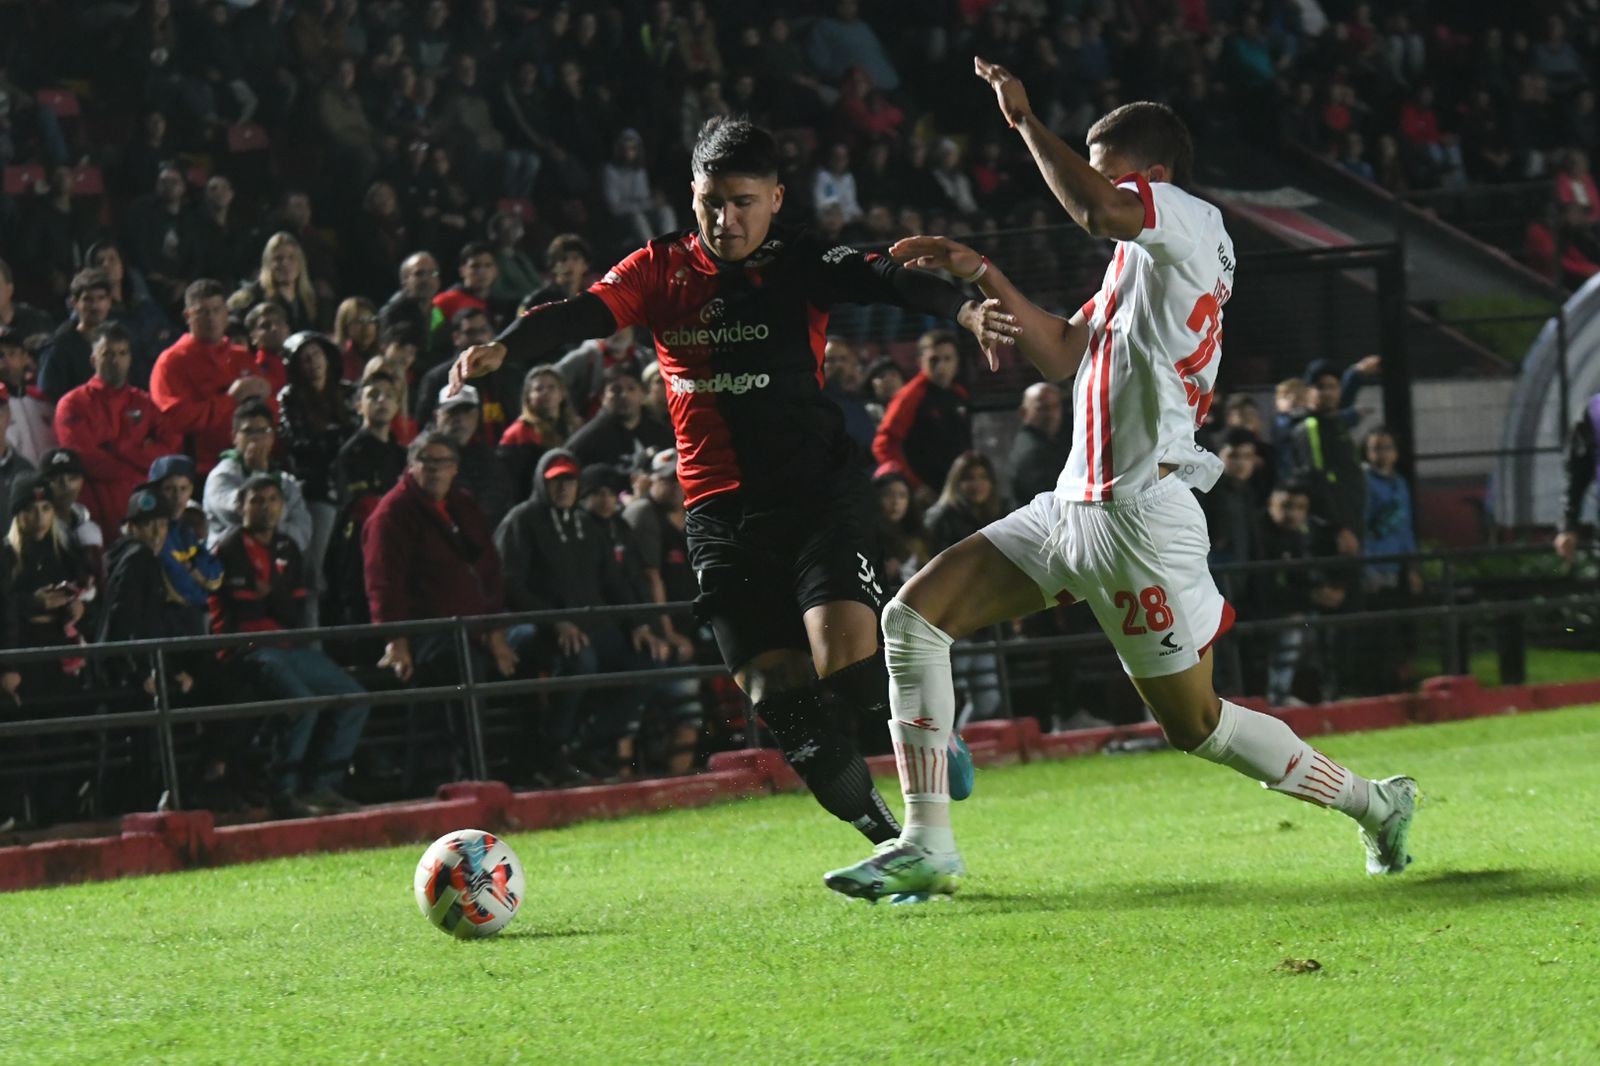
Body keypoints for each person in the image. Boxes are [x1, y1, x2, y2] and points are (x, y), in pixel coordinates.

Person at [825, 61, 1417, 903]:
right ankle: (926, 843)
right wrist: (980, 273)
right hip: (1073, 507)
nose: (1092, 191)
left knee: (1198, 726)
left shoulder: (1186, 216)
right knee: (914, 618)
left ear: (1154, 176)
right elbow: (1066, 351)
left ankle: (1374, 803)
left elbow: (1097, 205)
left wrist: (1026, 121)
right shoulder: (1138, 263)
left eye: (1106, 169)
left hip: (1142, 517)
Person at [453, 116, 993, 847]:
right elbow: (580, 314)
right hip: (720, 513)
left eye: (742, 201)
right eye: (711, 201)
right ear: (692, 196)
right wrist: (506, 347)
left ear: (774, 197)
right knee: (778, 693)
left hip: (817, 498)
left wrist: (962, 307)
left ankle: (935, 739)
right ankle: (889, 841)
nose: (725, 218)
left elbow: (886, 277)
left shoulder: (800, 257)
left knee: (847, 663)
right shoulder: (659, 268)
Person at [497, 449, 663, 783]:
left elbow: (612, 581)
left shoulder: (588, 524)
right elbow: (510, 585)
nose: (563, 488)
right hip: (534, 627)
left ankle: (586, 746)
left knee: (647, 661)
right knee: (580, 661)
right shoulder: (521, 521)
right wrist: (554, 621)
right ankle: (550, 752)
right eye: (555, 481)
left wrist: (639, 624)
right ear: (541, 483)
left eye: (569, 481)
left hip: (590, 625)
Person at [210, 475, 368, 818]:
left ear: (283, 506)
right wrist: (272, 600)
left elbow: (294, 611)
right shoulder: (228, 548)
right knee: (303, 704)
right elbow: (243, 608)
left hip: (287, 644)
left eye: (272, 500)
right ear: (241, 506)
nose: (265, 507)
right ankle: (283, 792)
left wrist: (270, 595)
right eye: (256, 500)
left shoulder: (288, 547)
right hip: (249, 646)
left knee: (354, 696)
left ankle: (324, 786)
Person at [363, 432, 519, 775]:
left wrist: (496, 632)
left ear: (455, 468)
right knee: (450, 682)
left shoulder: (463, 505)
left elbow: (488, 567)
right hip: (429, 631)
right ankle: (454, 775)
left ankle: (505, 768)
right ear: (411, 465)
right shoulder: (393, 513)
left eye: (444, 462)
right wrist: (396, 640)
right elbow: (384, 582)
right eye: (427, 462)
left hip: (474, 628)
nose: (435, 470)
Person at [53, 324, 177, 533]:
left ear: (130, 359)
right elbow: (85, 459)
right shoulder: (73, 404)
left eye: (122, 353)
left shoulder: (144, 403)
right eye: (107, 353)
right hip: (93, 509)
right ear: (93, 359)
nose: (115, 360)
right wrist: (139, 466)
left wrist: (122, 449)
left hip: (141, 508)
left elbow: (170, 448)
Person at [149, 279, 275, 474]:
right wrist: (229, 399)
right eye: (202, 312)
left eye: (217, 310)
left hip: (252, 464)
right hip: (199, 470)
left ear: (226, 313)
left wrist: (266, 397)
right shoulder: (171, 362)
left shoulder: (241, 356)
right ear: (187, 316)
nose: (211, 318)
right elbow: (174, 419)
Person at [327, 371, 406, 627]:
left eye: (389, 396)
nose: (382, 401)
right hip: (362, 543)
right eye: (373, 395)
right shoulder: (352, 452)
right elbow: (360, 504)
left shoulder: (402, 453)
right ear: (359, 405)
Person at [202, 399, 313, 551]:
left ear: (272, 437)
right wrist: (259, 473)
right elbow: (244, 516)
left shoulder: (286, 481)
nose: (256, 438)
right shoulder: (221, 476)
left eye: (263, 431)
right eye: (248, 431)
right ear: (234, 437)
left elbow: (303, 532)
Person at [498, 364, 582, 504]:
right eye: (538, 389)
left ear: (562, 394)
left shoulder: (574, 427)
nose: (545, 393)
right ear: (528, 398)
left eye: (551, 387)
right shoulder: (518, 433)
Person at [563, 364, 673, 469]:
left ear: (643, 394)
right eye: (615, 390)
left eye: (631, 388)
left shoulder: (661, 434)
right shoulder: (586, 441)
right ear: (602, 397)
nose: (624, 395)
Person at [38, 268, 115, 402]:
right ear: (75, 303)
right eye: (88, 299)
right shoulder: (59, 347)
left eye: (101, 298)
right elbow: (48, 397)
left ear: (109, 301)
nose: (95, 306)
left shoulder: (119, 339)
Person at [1006, 382, 1070, 504]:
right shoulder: (1032, 451)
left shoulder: (1048, 443)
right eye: (1042, 408)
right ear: (1023, 413)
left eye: (1056, 406)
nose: (1051, 414)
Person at [0, 328, 55, 466]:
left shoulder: (43, 400)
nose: (5, 361)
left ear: (25, 357)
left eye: (12, 353)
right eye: (0, 356)